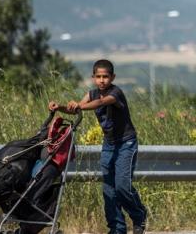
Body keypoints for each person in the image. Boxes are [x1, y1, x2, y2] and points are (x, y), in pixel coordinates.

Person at [49, 59, 147, 234]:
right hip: (109, 145)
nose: (102, 80)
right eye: (98, 77)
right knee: (109, 189)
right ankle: (117, 228)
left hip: (126, 143)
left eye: (106, 77)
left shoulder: (115, 93)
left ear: (112, 77)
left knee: (122, 186)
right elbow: (76, 109)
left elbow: (101, 103)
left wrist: (80, 105)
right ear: (93, 77)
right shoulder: (91, 94)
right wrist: (61, 107)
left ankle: (139, 216)